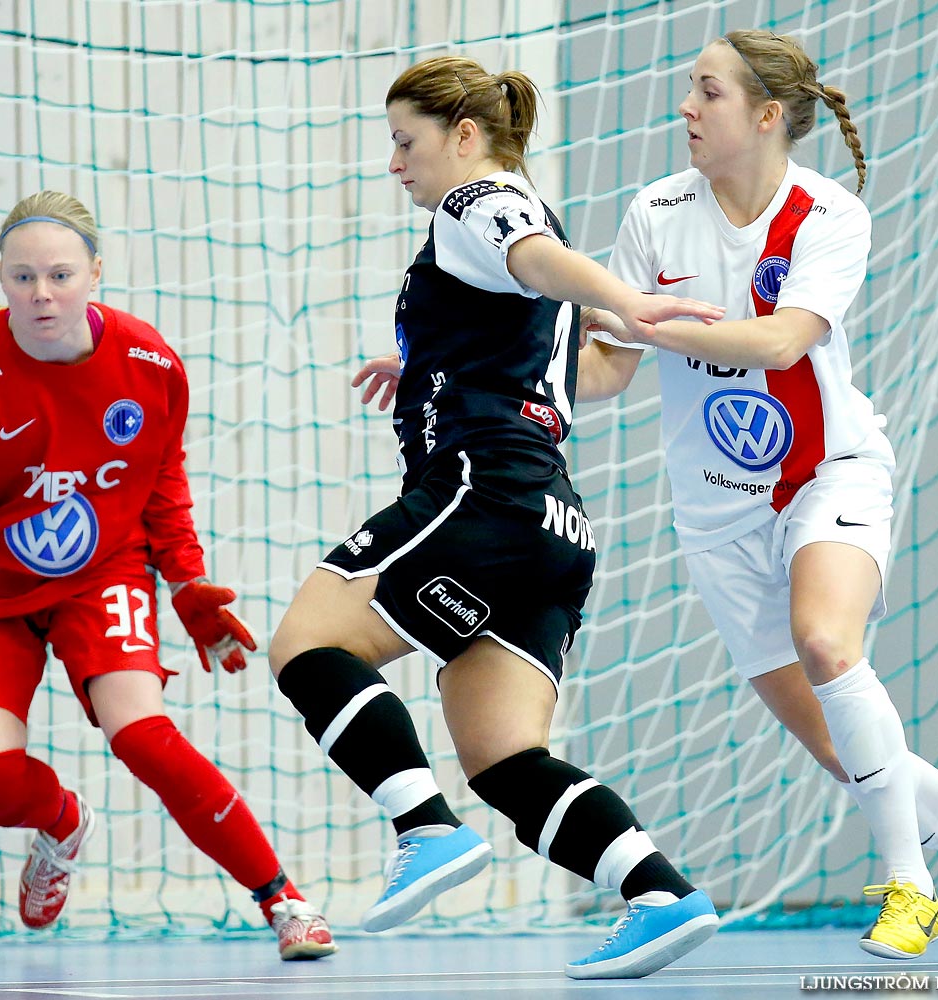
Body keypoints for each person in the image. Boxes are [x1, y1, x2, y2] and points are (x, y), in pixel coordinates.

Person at [573, 30, 938, 961]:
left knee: (826, 640)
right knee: (847, 755)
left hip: (827, 472)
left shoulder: (827, 213)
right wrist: (513, 363)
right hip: (715, 505)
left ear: (763, 116)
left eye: (705, 92)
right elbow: (609, 371)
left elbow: (780, 343)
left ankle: (909, 891)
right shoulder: (654, 212)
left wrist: (632, 312)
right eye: (687, 90)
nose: (685, 107)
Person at [270, 56, 727, 981]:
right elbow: (585, 375)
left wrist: (626, 298)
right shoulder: (517, 249)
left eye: (407, 141)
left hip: (481, 493)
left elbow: (530, 255)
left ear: (465, 137)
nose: (396, 162)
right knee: (505, 755)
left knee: (308, 646)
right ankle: (659, 893)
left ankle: (422, 829)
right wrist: (437, 367)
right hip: (554, 526)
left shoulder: (478, 203)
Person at [0, 190, 336, 960]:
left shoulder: (148, 362)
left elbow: (161, 481)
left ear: (96, 274)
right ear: (1, 279)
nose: (41, 294)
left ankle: (284, 902)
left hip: (98, 572)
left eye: (61, 276)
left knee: (145, 736)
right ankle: (63, 825)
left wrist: (186, 584)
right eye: (23, 277)